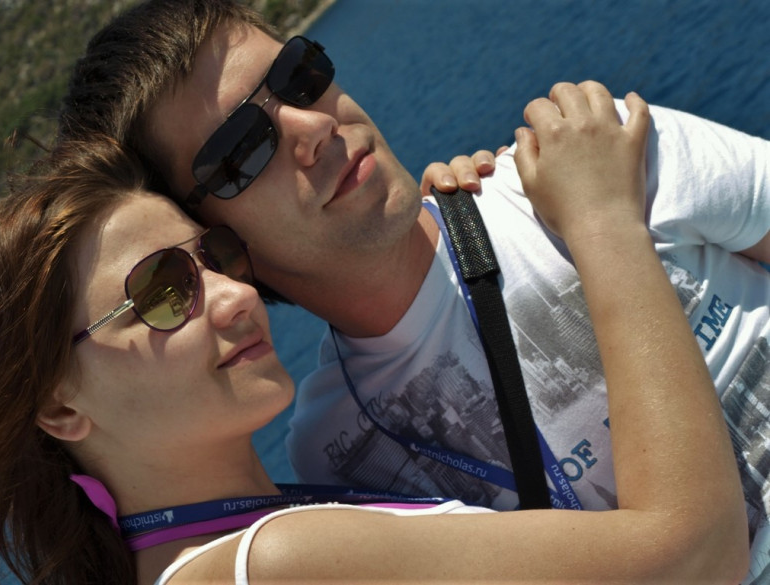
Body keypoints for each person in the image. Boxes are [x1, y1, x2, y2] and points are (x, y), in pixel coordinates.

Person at [56, 0, 769, 580]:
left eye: (300, 76)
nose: (314, 125)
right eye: (243, 149)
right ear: (209, 236)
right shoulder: (336, 455)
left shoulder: (590, 159)